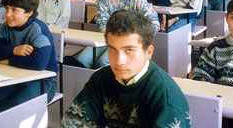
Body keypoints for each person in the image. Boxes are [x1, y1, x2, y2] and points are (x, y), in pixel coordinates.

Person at [62, 10, 191, 128]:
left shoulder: (166, 98)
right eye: (112, 49)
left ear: (148, 52)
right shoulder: (100, 78)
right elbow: (72, 122)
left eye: (129, 50)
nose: (119, 61)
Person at [76, 0, 160, 69]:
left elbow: (154, 22)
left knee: (104, 62)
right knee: (82, 60)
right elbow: (102, 23)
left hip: (129, 41)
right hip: (108, 38)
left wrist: (138, 39)